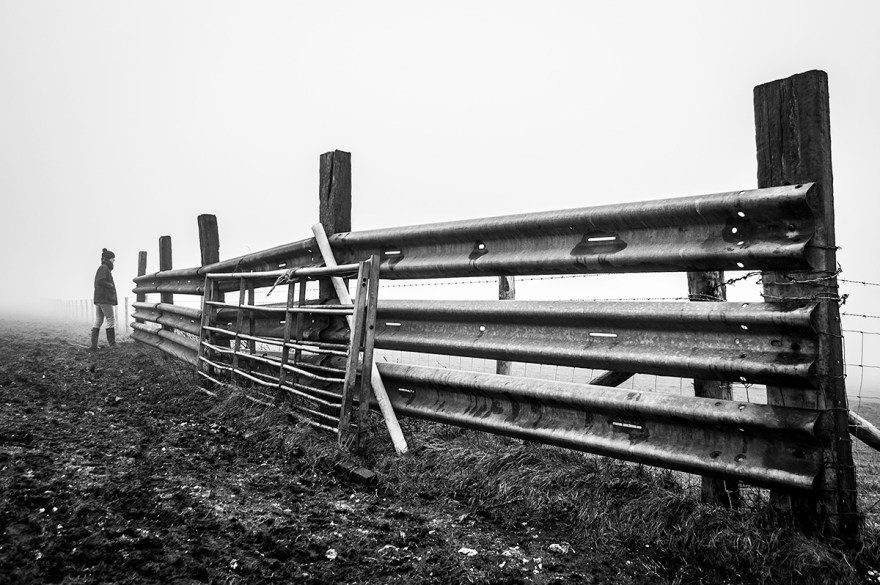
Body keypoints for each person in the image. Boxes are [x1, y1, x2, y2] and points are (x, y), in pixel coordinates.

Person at [91, 248, 118, 349]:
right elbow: (100, 281)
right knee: (110, 320)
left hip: (99, 299)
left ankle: (94, 345)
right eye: (113, 259)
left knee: (98, 321)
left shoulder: (102, 267)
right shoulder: (104, 268)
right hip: (104, 299)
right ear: (108, 259)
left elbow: (99, 281)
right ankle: (113, 344)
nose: (114, 261)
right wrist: (110, 285)